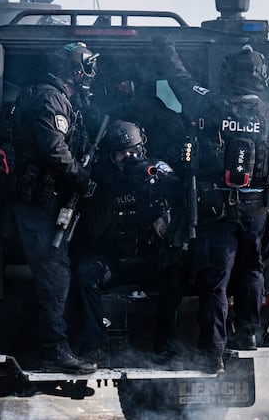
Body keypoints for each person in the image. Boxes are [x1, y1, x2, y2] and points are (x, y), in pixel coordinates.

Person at [153, 38, 269, 374]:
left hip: (217, 210)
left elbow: (181, 81)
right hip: (256, 209)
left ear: (229, 75)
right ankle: (247, 334)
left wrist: (166, 49)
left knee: (215, 283)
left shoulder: (210, 105)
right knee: (252, 269)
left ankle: (212, 352)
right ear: (263, 79)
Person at [9, 42, 99, 374]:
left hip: (44, 200)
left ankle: (50, 343)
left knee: (56, 272)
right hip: (40, 202)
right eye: (86, 67)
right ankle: (54, 350)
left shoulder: (51, 96)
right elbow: (54, 150)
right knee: (54, 275)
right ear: (74, 70)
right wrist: (81, 176)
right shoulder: (50, 98)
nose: (90, 74)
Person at [70, 119, 187, 367]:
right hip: (112, 260)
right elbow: (92, 228)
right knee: (84, 274)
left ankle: (165, 345)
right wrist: (115, 188)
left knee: (175, 276)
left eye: (132, 151)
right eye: (121, 154)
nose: (128, 157)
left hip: (146, 256)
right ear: (112, 157)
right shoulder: (101, 179)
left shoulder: (155, 171)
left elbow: (180, 195)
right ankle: (96, 346)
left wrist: (155, 201)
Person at [90, 56, 187, 165]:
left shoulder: (151, 107)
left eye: (125, 86)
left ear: (133, 86)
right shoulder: (105, 113)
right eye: (116, 88)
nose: (121, 90)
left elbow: (175, 131)